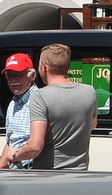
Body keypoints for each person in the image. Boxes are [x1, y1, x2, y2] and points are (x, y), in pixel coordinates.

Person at [17, 43, 98, 172]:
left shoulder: (40, 96)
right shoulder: (89, 92)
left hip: (49, 175)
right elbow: (92, 125)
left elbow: (35, 146)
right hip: (80, 174)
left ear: (44, 66)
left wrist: (15, 155)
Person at [0, 53, 40, 170]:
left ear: (32, 75)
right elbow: (11, 142)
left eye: (18, 75)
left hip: (32, 171)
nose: (13, 80)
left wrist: (16, 155)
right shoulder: (13, 103)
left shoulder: (39, 100)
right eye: (9, 76)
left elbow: (36, 145)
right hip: (15, 172)